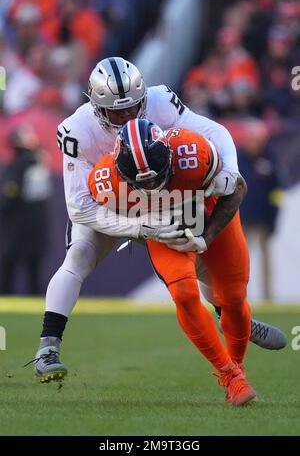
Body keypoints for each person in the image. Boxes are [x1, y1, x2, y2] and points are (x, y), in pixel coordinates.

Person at [30, 57, 286, 383]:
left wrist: (230, 171)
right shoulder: (77, 130)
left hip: (161, 196)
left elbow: (214, 130)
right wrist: (139, 227)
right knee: (78, 256)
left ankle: (235, 319)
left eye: (132, 109)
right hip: (110, 202)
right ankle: (48, 346)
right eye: (116, 113)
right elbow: (80, 208)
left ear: (143, 100)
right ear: (96, 107)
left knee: (202, 271)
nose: (126, 119)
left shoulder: (161, 100)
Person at [88, 118, 258, 405]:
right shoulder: (105, 180)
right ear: (120, 171)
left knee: (233, 297)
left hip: (210, 217)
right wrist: (144, 228)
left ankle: (238, 365)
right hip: (164, 232)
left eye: (156, 177)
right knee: (183, 292)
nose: (152, 185)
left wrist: (206, 236)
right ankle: (231, 376)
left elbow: (237, 188)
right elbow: (95, 217)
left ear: (169, 156)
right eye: (142, 183)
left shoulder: (193, 152)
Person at [0, 125, 52, 295]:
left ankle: (6, 294)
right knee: (34, 267)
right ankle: (36, 295)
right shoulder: (40, 161)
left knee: (8, 264)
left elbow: (11, 191)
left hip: (16, 222)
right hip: (38, 221)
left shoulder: (18, 164)